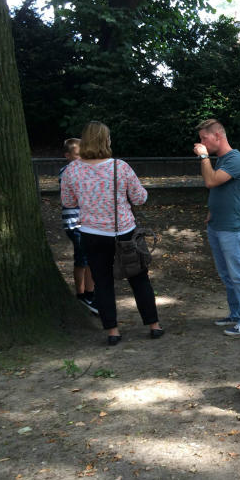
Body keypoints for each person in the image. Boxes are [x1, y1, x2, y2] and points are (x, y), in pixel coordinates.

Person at [60, 122, 164, 346]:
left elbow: (68, 201)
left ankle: (112, 331)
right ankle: (153, 325)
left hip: (91, 234)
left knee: (102, 282)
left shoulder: (72, 170)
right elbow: (139, 198)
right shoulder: (120, 167)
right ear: (106, 140)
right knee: (139, 278)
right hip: (124, 232)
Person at [194, 119, 240, 337]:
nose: (201, 143)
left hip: (232, 229)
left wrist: (204, 157)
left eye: (204, 138)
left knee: (238, 275)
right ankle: (236, 313)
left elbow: (211, 181)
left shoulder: (236, 159)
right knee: (227, 275)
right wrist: (212, 210)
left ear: (218, 136)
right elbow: (221, 190)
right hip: (217, 225)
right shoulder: (222, 159)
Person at [59, 138, 97, 315]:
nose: (82, 157)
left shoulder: (84, 170)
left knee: (89, 258)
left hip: (86, 222)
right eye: (77, 155)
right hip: (75, 223)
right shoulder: (67, 172)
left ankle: (89, 293)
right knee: (83, 259)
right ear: (67, 156)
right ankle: (82, 294)